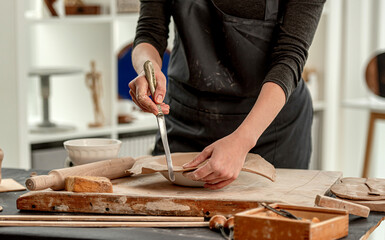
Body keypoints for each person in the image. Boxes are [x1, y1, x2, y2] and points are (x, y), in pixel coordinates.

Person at [129, 0, 325, 190]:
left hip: (269, 128)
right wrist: (148, 68)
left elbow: (289, 57)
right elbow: (149, 31)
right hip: (185, 120)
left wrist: (242, 140)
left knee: (270, 219)